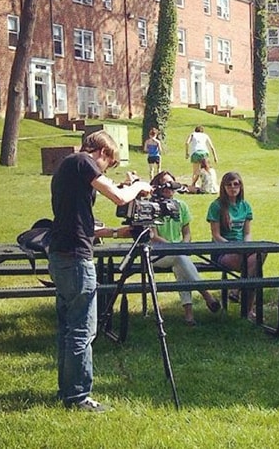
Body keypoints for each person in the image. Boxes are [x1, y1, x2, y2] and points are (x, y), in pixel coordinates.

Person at [48, 129, 151, 412]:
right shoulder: (82, 161)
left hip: (62, 253)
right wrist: (138, 187)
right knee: (82, 329)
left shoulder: (68, 169)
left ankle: (68, 392)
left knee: (69, 328)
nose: (106, 169)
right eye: (110, 164)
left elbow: (82, 224)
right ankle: (79, 397)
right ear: (103, 153)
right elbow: (119, 198)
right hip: (76, 259)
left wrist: (118, 232)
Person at [119, 171, 221, 326]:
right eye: (164, 184)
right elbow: (152, 235)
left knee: (181, 262)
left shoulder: (181, 206)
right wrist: (172, 246)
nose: (168, 188)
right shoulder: (150, 206)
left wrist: (183, 245)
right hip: (155, 253)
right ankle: (206, 295)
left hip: (177, 253)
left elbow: (187, 233)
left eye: (171, 184)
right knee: (180, 258)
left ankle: (189, 314)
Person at [206, 172, 262, 320]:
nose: (233, 188)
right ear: (223, 187)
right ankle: (247, 309)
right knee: (254, 270)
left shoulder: (245, 206)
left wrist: (247, 246)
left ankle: (237, 289)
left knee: (260, 255)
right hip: (223, 251)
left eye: (236, 184)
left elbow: (247, 233)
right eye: (229, 185)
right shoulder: (216, 206)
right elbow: (216, 236)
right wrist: (233, 247)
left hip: (242, 250)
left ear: (241, 186)